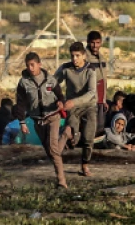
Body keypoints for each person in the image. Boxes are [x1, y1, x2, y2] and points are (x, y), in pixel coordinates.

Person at [16, 52, 68, 188]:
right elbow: (20, 103)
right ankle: (66, 136)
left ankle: (61, 181)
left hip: (53, 117)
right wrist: (21, 122)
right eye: (28, 66)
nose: (31, 68)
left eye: (33, 65)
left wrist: (61, 103)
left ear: (39, 64)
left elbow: (60, 96)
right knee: (50, 151)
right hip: (38, 121)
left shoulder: (50, 79)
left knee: (53, 149)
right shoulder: (23, 83)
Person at [55, 41, 99, 177]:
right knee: (72, 129)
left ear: (84, 56)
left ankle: (85, 165)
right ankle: (63, 148)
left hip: (89, 106)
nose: (74, 59)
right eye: (72, 56)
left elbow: (92, 92)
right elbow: (52, 83)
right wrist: (58, 98)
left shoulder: (91, 70)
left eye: (77, 56)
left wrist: (74, 102)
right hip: (71, 108)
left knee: (89, 137)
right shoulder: (66, 68)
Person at [85, 31, 109, 137]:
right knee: (88, 128)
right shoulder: (83, 58)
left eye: (98, 42)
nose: (95, 46)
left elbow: (103, 80)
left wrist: (104, 100)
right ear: (88, 42)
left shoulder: (101, 58)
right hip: (89, 100)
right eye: (93, 43)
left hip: (100, 100)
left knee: (99, 129)